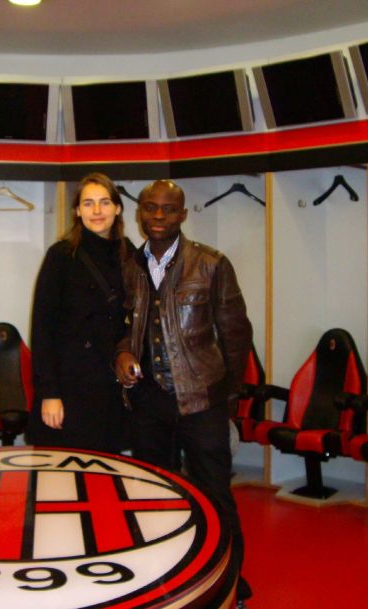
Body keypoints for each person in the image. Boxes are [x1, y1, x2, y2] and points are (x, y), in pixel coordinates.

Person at [114, 179, 253, 606]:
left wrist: (225, 398)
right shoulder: (127, 266)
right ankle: (164, 578)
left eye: (168, 210)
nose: (158, 217)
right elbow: (120, 328)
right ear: (139, 214)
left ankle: (230, 578)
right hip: (148, 402)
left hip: (201, 401)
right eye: (151, 209)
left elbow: (235, 334)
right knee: (155, 494)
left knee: (215, 495)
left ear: (183, 214)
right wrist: (121, 353)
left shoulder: (211, 264)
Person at [29, 172, 130, 454]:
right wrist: (49, 393)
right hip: (69, 387)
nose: (97, 211)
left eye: (104, 202)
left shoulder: (129, 254)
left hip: (111, 388)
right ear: (77, 211)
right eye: (88, 203)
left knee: (107, 479)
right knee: (61, 484)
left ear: (118, 208)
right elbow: (42, 329)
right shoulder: (61, 256)